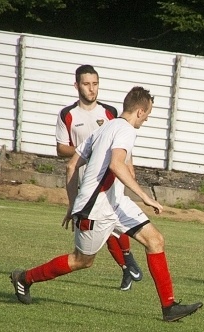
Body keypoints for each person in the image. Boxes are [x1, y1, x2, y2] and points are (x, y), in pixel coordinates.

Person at [10, 86, 203, 323]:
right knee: (82, 261)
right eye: (149, 113)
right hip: (96, 208)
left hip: (115, 202)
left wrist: (72, 204)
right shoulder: (125, 130)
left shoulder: (105, 127)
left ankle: (169, 307)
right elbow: (116, 165)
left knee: (155, 240)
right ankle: (24, 278)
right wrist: (145, 196)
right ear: (140, 111)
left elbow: (72, 166)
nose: (148, 118)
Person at [56, 64, 143, 290]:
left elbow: (122, 146)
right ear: (76, 86)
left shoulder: (109, 113)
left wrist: (130, 165)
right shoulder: (68, 115)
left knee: (113, 220)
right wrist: (89, 151)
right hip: (84, 179)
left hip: (109, 178)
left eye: (95, 84)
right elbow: (61, 149)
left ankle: (127, 265)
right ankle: (128, 264)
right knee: (101, 232)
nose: (91, 89)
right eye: (86, 84)